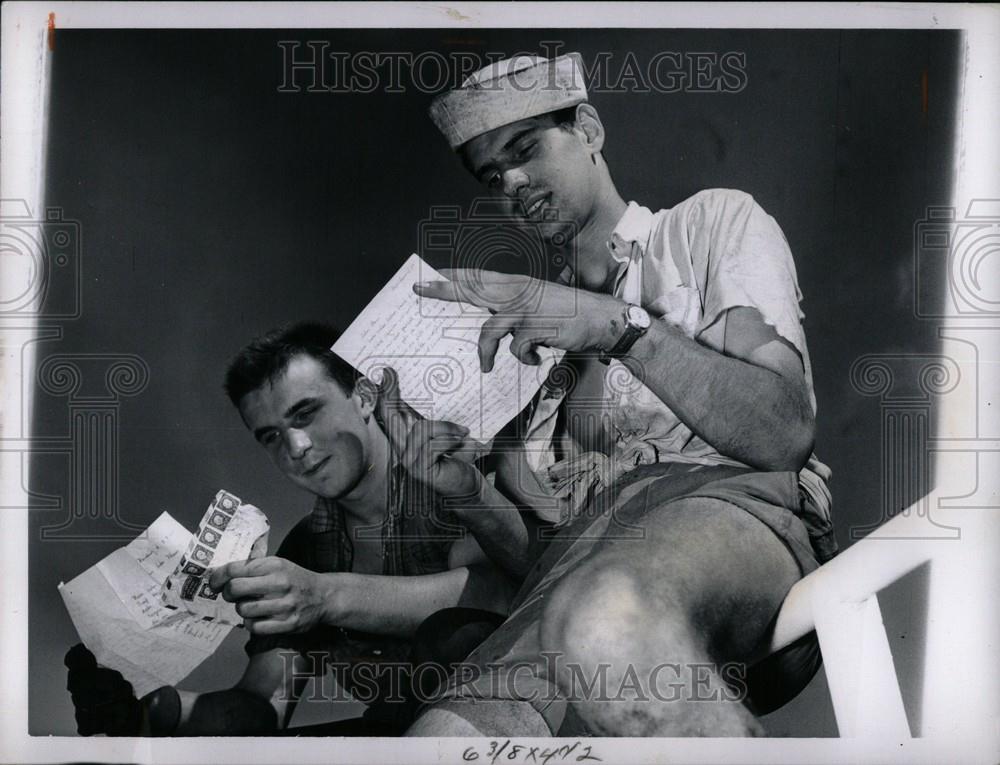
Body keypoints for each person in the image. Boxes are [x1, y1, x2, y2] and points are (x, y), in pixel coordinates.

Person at [402, 52, 837, 737]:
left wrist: (618, 326)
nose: (512, 181)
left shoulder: (708, 225)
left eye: (526, 148)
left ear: (591, 129)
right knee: (438, 741)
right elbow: (543, 560)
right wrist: (468, 492)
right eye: (493, 175)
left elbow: (782, 432)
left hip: (738, 525)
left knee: (605, 621)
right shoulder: (533, 351)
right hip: (579, 572)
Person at [64, 322, 521, 736]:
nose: (296, 447)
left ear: (364, 396)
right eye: (271, 435)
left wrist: (323, 597)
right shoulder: (305, 550)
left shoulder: (454, 476)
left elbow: (497, 598)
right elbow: (260, 708)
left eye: (305, 414)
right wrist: (154, 709)